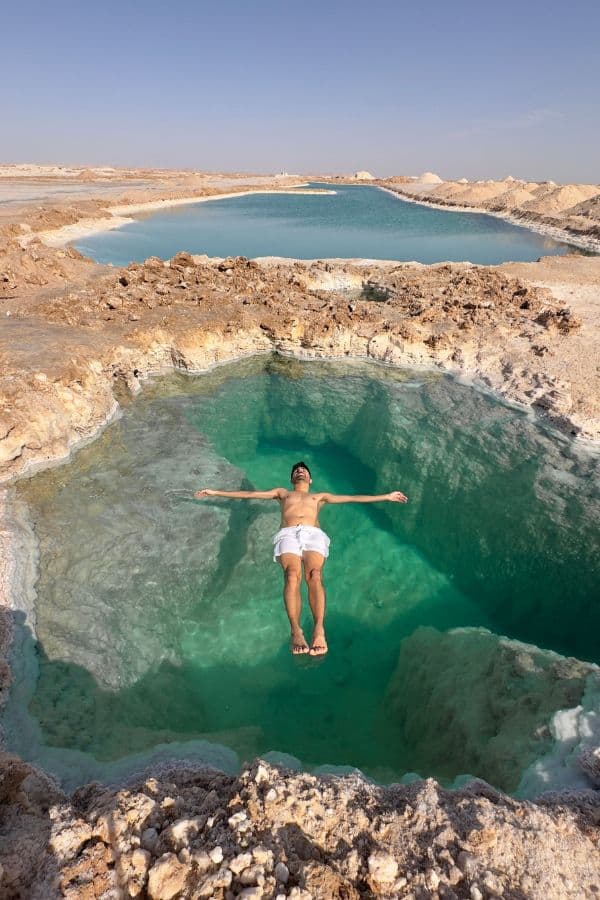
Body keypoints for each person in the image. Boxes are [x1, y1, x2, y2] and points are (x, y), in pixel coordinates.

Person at [194, 461, 408, 657]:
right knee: (291, 576)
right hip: (288, 533)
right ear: (291, 478)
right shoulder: (282, 493)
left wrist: (386, 497)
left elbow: (351, 498)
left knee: (314, 575)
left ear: (310, 479)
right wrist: (215, 492)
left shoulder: (319, 497)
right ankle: (296, 631)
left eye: (304, 471)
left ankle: (319, 630)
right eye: (296, 471)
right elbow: (250, 495)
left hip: (313, 534)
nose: (300, 472)